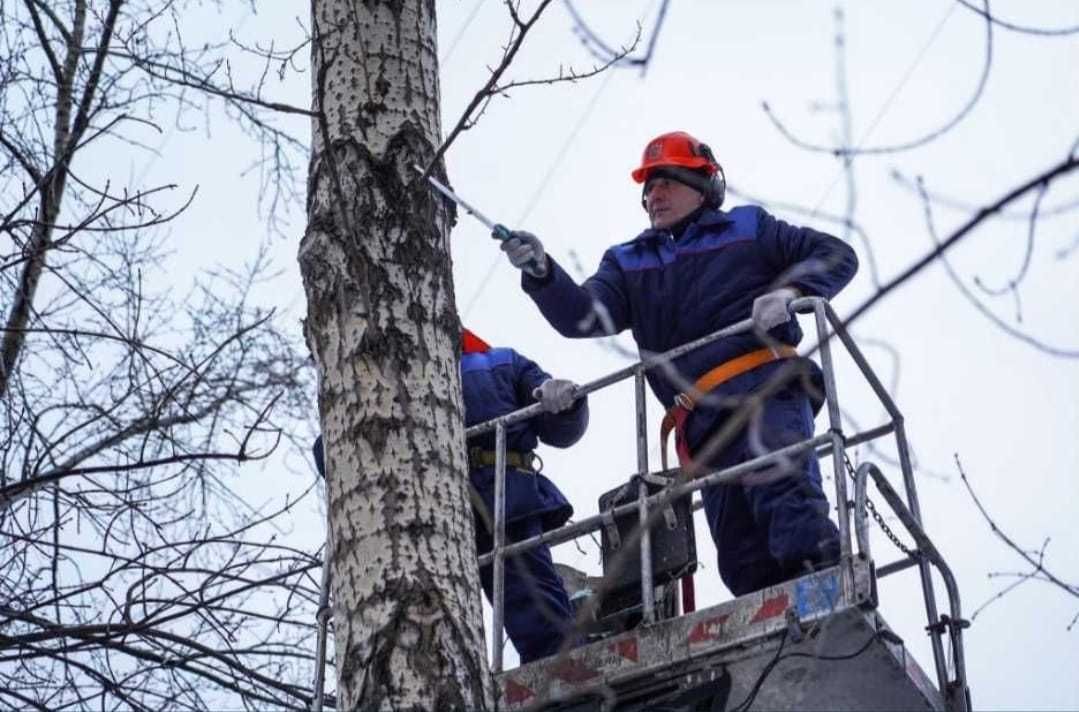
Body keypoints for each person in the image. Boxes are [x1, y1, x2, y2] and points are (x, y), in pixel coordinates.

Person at [498, 130, 859, 597]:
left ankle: (826, 602)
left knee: (790, 508)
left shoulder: (749, 229)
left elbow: (836, 255)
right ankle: (779, 639)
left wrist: (791, 293)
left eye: (666, 180)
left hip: (765, 390)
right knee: (740, 555)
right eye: (647, 187)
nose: (653, 195)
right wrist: (543, 273)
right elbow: (583, 314)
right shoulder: (629, 262)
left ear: (703, 185)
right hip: (703, 424)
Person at [312, 328, 588, 664]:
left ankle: (562, 674)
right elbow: (333, 458)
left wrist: (566, 402)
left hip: (506, 504)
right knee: (429, 632)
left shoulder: (499, 364)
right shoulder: (372, 387)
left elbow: (560, 427)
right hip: (424, 527)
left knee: (536, 610)